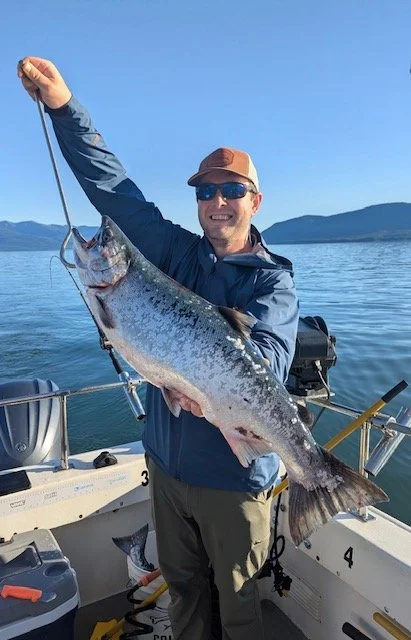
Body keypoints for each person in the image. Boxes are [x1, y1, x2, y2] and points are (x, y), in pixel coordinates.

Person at [19, 56, 299, 640]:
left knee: (241, 607)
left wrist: (208, 387)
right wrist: (64, 108)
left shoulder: (273, 282)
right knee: (186, 593)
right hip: (168, 469)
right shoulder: (176, 254)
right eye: (206, 192)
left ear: (255, 201)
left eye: (232, 191)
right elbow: (117, 194)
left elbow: (269, 362)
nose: (218, 201)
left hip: (233, 478)